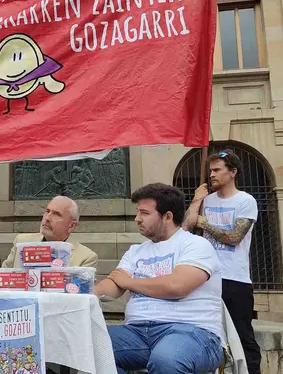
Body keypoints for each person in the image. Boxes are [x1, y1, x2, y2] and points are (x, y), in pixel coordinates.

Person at [95, 183, 223, 373]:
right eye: (138, 212)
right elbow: (114, 284)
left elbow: (176, 286)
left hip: (191, 331)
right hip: (137, 332)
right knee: (90, 347)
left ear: (168, 216)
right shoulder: (135, 251)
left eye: (145, 213)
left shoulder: (196, 245)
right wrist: (86, 292)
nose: (137, 219)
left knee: (166, 359)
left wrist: (129, 282)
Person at [183, 149, 261, 373]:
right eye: (210, 170)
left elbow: (235, 237)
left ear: (233, 172)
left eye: (217, 170)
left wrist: (204, 222)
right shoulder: (206, 200)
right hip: (206, 277)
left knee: (242, 334)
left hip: (234, 278)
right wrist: (197, 199)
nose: (212, 174)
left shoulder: (246, 201)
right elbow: (186, 228)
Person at [1, 196, 98, 268]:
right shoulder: (21, 241)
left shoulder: (86, 258)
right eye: (47, 211)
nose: (47, 218)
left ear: (71, 226)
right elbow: (2, 278)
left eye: (56, 214)